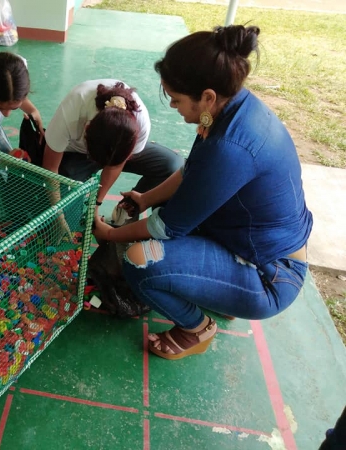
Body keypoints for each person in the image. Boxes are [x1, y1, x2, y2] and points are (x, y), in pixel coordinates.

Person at [93, 25, 313, 360]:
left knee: (139, 260)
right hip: (247, 241)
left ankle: (196, 327)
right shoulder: (231, 108)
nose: (171, 106)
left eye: (176, 99)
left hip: (271, 275)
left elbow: (165, 228)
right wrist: (147, 198)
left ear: (207, 97)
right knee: (162, 215)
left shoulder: (230, 146)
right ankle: (219, 287)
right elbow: (190, 171)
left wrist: (111, 234)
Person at [42, 79, 184, 210]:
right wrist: (58, 216)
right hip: (77, 154)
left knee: (172, 166)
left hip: (116, 153)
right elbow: (51, 168)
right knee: (64, 209)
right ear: (86, 128)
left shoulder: (141, 121)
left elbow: (115, 165)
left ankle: (126, 212)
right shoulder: (73, 108)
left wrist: (95, 205)